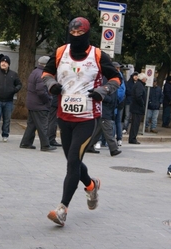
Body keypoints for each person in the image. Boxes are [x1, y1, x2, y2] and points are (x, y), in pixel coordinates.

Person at [42, 17, 121, 226]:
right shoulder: (60, 53)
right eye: (73, 33)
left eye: (80, 34)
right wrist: (51, 84)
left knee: (72, 163)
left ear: (87, 34)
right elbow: (46, 72)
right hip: (64, 116)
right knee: (73, 160)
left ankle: (62, 209)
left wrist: (103, 90)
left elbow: (116, 78)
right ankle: (91, 185)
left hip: (87, 118)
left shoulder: (97, 55)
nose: (76, 37)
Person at [20, 56, 55, 151]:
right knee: (43, 125)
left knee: (32, 124)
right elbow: (41, 91)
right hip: (39, 104)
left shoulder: (34, 71)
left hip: (32, 103)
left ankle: (26, 142)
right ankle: (45, 145)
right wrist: (47, 100)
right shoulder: (42, 74)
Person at [128, 73, 147, 144]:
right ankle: (133, 138)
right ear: (143, 79)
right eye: (145, 79)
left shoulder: (138, 84)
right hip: (137, 108)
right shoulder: (139, 85)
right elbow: (138, 96)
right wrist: (142, 104)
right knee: (135, 124)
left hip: (135, 107)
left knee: (134, 123)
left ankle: (132, 138)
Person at [112, 62, 126, 146]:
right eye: (117, 68)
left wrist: (116, 99)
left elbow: (120, 91)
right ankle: (119, 138)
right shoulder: (120, 76)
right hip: (119, 102)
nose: (118, 69)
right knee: (117, 121)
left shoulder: (117, 76)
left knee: (114, 121)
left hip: (116, 102)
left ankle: (114, 139)